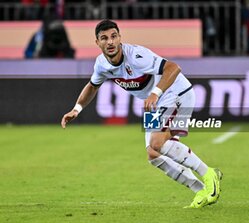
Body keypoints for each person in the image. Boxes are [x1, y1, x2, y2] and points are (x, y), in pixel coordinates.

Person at [61, 19, 222, 208]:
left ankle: (209, 173)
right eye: (104, 38)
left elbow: (173, 68)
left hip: (175, 93)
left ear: (120, 38)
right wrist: (77, 109)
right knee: (153, 154)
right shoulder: (101, 64)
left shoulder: (137, 55)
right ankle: (201, 190)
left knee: (157, 143)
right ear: (97, 43)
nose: (110, 42)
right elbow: (92, 86)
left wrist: (155, 92)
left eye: (114, 36)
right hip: (155, 104)